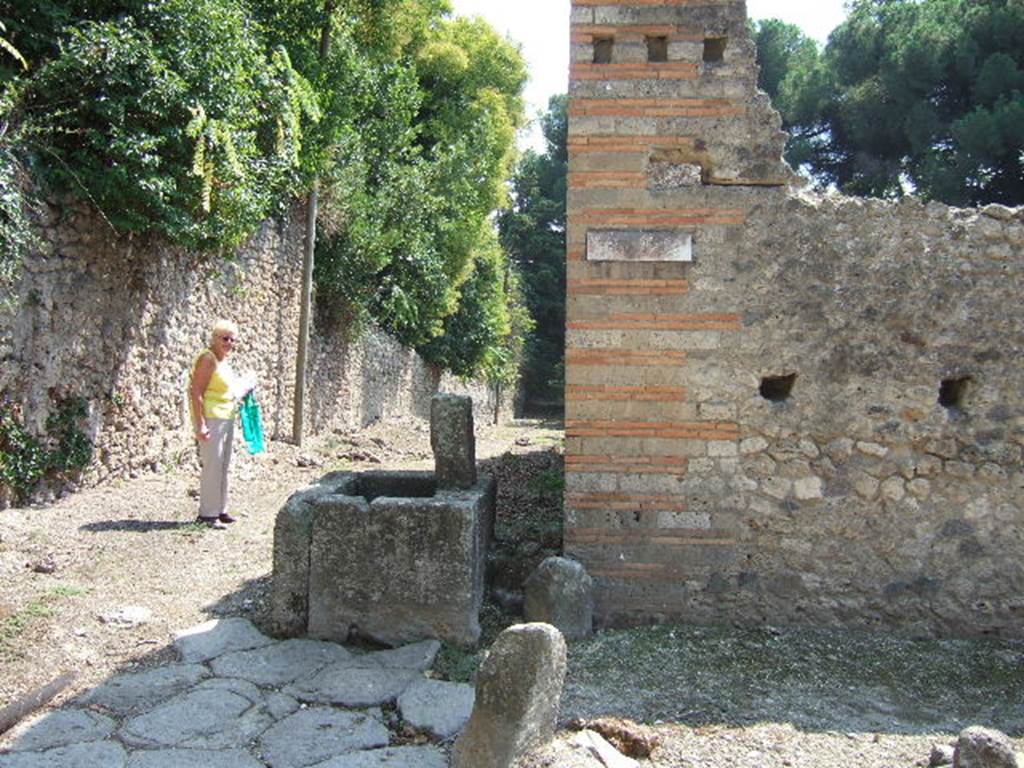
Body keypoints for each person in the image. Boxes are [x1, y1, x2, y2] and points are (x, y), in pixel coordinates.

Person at [189, 319, 253, 529]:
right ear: (214, 338)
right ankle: (207, 514)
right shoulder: (208, 359)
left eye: (232, 340)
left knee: (223, 465)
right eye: (224, 338)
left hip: (226, 416)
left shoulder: (223, 361)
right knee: (212, 466)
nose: (228, 343)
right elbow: (196, 391)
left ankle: (220, 509)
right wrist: (200, 424)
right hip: (212, 417)